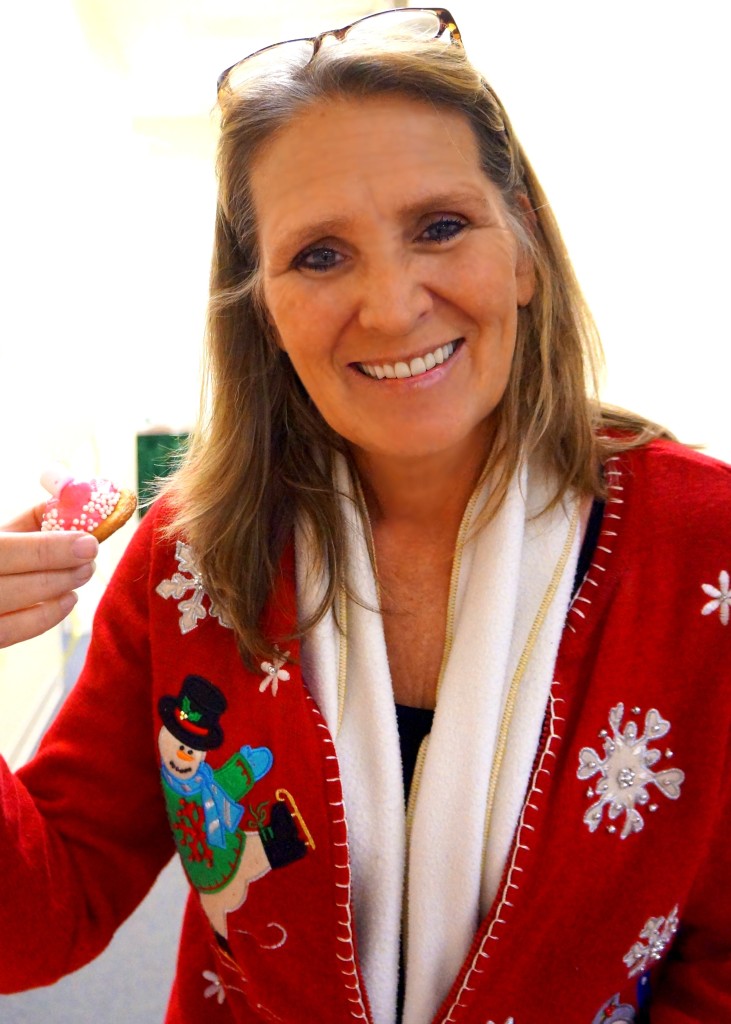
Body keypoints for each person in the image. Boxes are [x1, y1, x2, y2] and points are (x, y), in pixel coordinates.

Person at [1, 8, 729, 1023]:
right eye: (319, 256)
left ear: (520, 251)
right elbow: (33, 926)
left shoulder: (705, 548)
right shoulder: (190, 564)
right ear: (261, 305)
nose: (390, 307)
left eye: (439, 227)